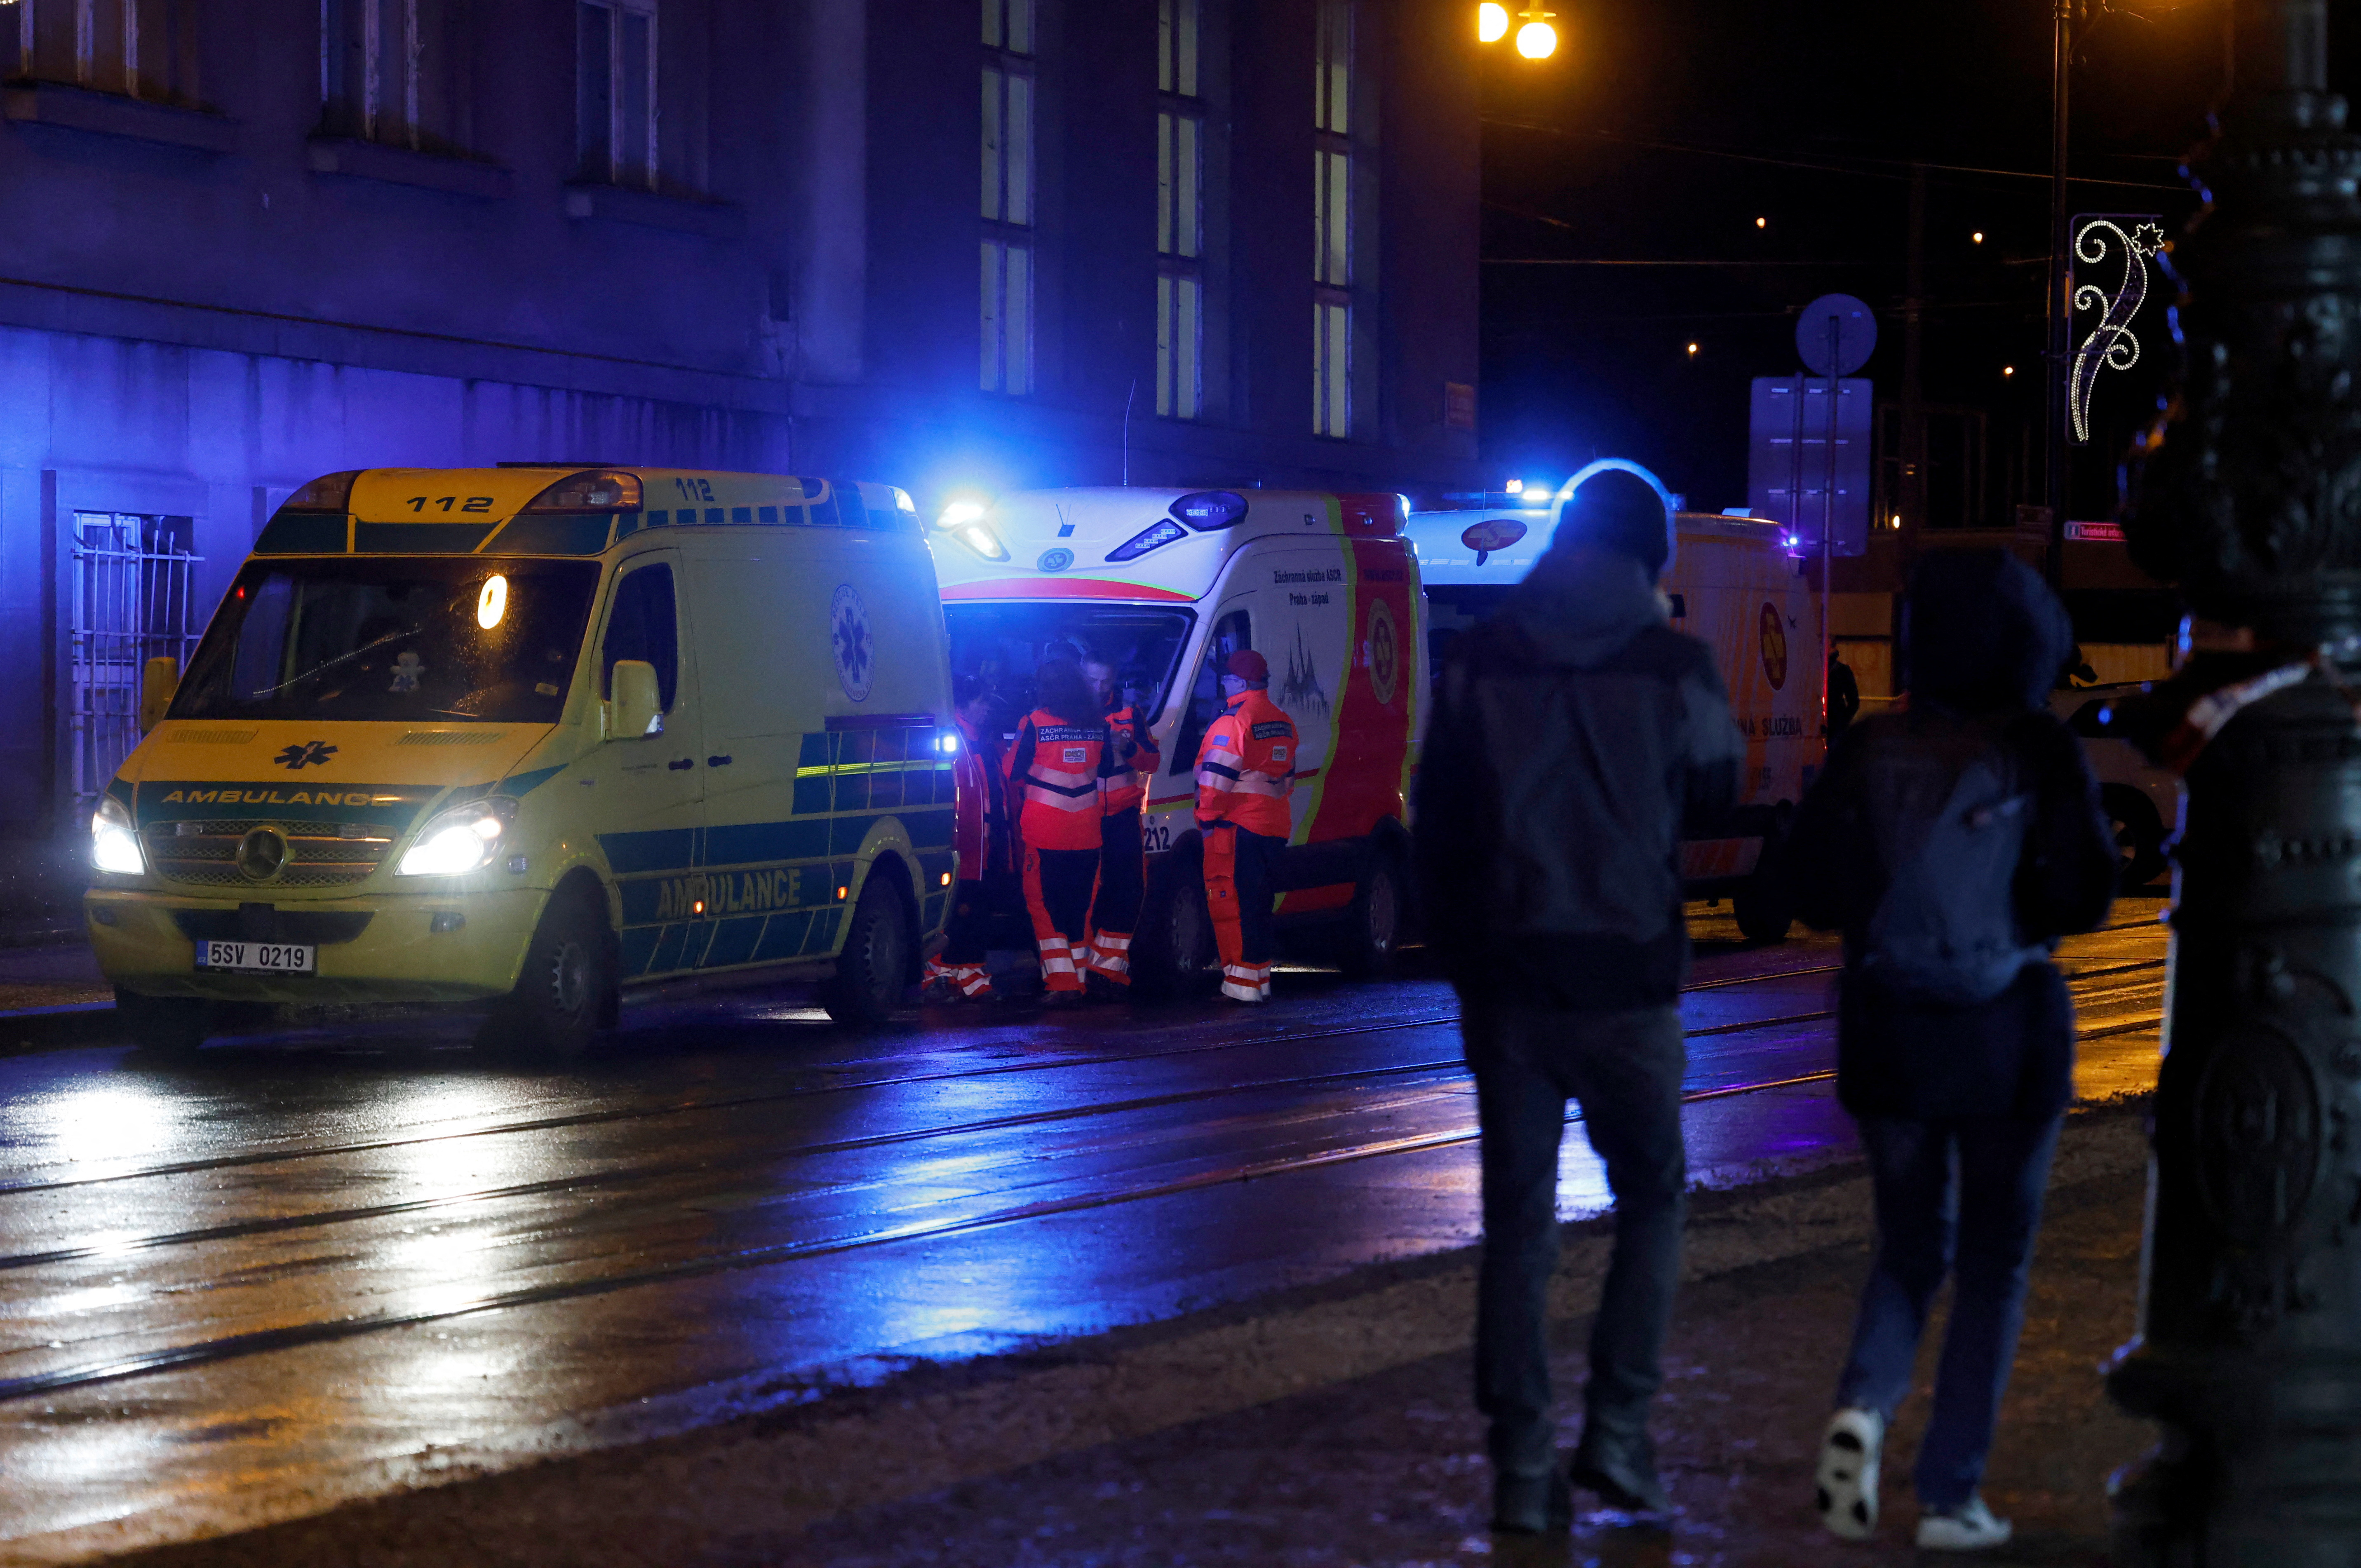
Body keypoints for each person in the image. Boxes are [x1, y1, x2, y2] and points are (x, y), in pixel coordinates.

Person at [1414, 467, 1743, 1533]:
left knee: (1515, 1226)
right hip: (1627, 976)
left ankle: (1518, 1465)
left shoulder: (1477, 657)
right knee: (1650, 1197)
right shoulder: (1673, 662)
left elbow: (1439, 822)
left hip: (1509, 982)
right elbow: (1715, 789)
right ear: (1649, 555)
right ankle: (1615, 1432)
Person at [1782, 550, 2116, 1553]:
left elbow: (1806, 882)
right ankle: (1950, 1492)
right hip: (2007, 1039)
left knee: (1909, 1246)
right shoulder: (2037, 748)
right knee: (1994, 1263)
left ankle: (1863, 1411)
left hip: (1889, 1039)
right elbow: (2088, 891)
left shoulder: (1871, 742)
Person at [1005, 658, 1116, 1008]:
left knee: (1045, 906)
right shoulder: (1097, 724)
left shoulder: (1035, 723)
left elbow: (1012, 771)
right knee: (1079, 908)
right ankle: (1078, 979)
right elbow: (1109, 767)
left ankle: (1061, 982)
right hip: (1086, 832)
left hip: (1045, 831)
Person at [1193, 649, 1294, 1003]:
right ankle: (1259, 981)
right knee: (1259, 904)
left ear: (1239, 682)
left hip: (1237, 825)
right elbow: (1286, 778)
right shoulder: (1281, 720)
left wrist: (1205, 818)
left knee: (1234, 903)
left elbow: (1215, 780)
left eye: (1226, 677)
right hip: (1274, 824)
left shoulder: (1233, 722)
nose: (1222, 682)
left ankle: (1242, 987)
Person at [923, 675, 1013, 1002]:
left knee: (976, 913)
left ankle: (969, 976)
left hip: (986, 846)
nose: (987, 707)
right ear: (962, 705)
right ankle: (940, 976)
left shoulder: (982, 739)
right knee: (956, 914)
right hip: (965, 847)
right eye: (980, 701)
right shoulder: (954, 738)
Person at [1083, 660, 1159, 995]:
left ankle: (1108, 969)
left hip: (1123, 816)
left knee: (1128, 890)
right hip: (1082, 817)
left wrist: (1128, 747)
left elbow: (1153, 761)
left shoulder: (1130, 715)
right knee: (1085, 895)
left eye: (1106, 681)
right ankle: (1080, 969)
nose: (1099, 688)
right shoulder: (1065, 714)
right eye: (1092, 680)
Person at [1828, 646, 1861, 740]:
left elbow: (1854, 701)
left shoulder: (1842, 670)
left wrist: (1842, 721)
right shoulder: (1815, 669)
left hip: (1835, 722)